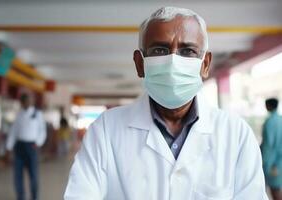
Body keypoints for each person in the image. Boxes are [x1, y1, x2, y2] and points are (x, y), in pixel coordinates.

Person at [64, 7, 268, 200]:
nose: (173, 62)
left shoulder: (236, 134)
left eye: (187, 51)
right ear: (139, 63)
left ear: (205, 64)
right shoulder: (106, 129)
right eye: (160, 51)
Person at [7, 94, 47, 200]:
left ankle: (34, 197)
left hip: (31, 146)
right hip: (19, 146)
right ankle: (21, 197)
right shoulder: (19, 114)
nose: (28, 103)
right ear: (22, 102)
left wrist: (37, 143)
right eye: (25, 101)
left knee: (33, 176)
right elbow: (13, 131)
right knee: (18, 176)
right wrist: (9, 147)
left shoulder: (37, 114)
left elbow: (42, 131)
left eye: (30, 100)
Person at [261, 98, 282, 200]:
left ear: (269, 106)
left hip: (272, 163)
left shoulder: (269, 122)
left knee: (275, 191)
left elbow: (268, 145)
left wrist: (262, 161)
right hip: (279, 161)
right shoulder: (280, 119)